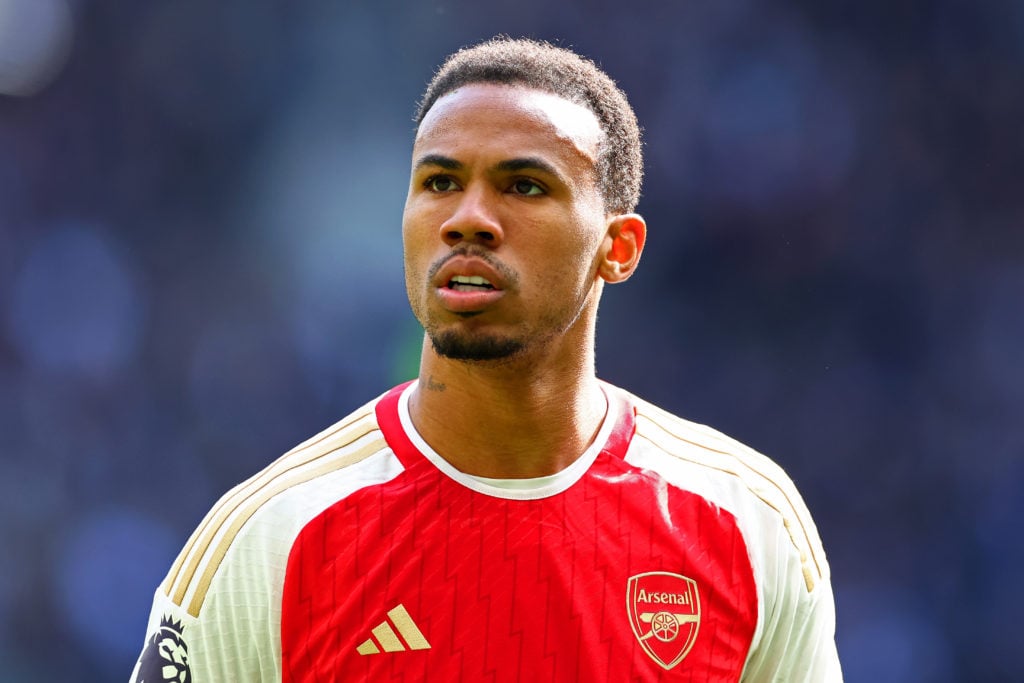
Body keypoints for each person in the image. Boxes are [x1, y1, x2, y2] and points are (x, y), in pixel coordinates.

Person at [132, 36, 842, 682]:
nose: (467, 217)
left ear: (617, 248)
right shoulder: (272, 539)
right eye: (439, 181)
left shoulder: (747, 522)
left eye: (524, 186)